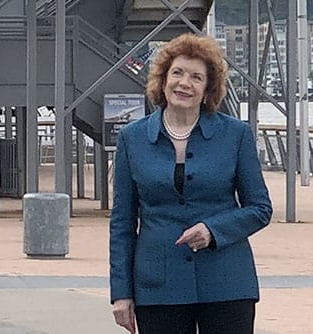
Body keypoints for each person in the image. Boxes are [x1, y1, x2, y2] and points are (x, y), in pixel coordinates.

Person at [109, 33, 272, 334]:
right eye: (178, 73)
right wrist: (121, 292)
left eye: (196, 77)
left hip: (227, 283)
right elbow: (122, 222)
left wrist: (214, 230)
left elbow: (260, 208)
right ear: (163, 79)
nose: (185, 83)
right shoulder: (132, 139)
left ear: (208, 89)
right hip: (158, 287)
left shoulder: (236, 135)